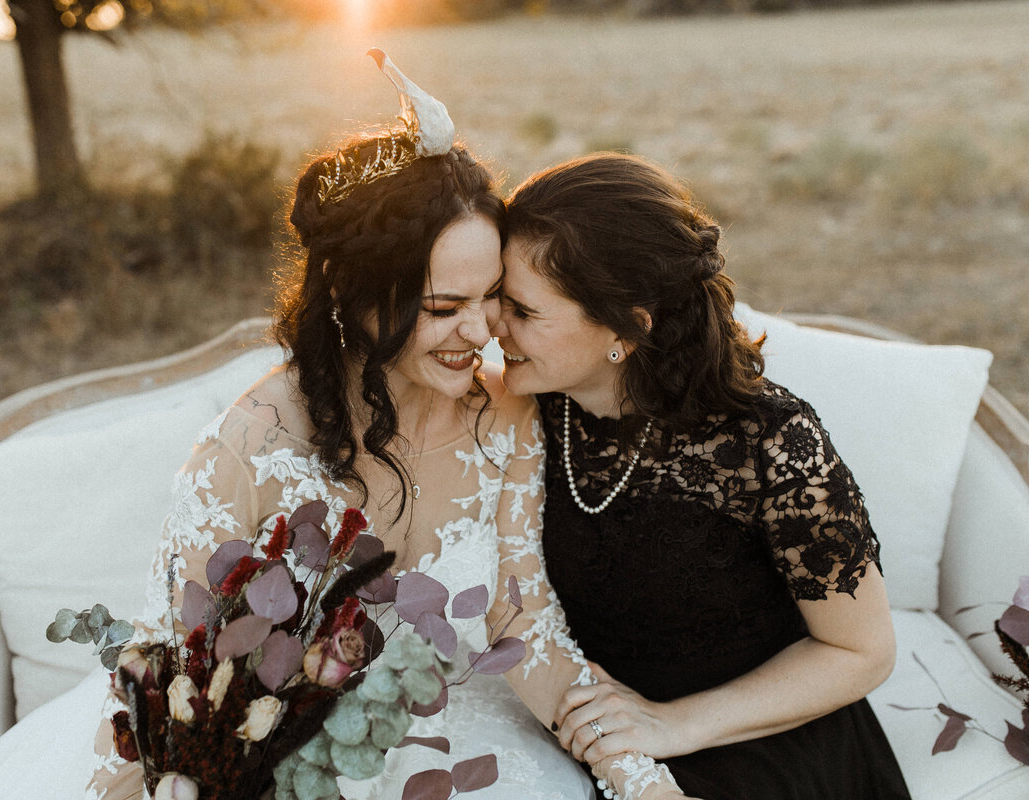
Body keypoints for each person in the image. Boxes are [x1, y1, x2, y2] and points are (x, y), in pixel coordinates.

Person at [85, 58, 688, 800]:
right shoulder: (248, 446)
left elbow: (523, 627)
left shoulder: (508, 415)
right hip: (286, 759)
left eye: (492, 296)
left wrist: (638, 776)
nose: (482, 332)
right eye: (443, 308)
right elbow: (171, 674)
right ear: (351, 295)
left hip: (465, 737)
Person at [492, 152, 912, 800]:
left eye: (522, 310)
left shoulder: (771, 442)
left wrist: (671, 726)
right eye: (499, 297)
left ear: (628, 327)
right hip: (602, 736)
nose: (495, 324)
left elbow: (863, 653)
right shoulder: (525, 414)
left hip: (762, 741)